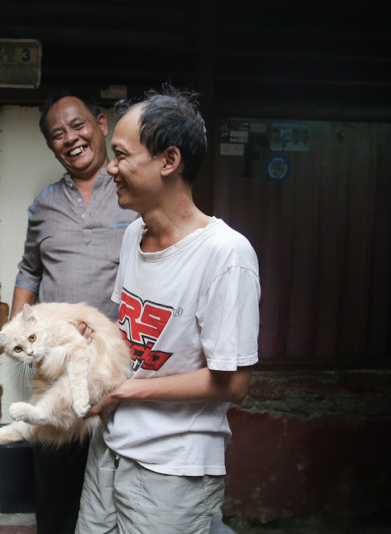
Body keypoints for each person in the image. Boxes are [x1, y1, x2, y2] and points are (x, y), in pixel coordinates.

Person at [75, 84, 260, 533]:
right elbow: (132, 334)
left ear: (169, 160)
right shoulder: (133, 235)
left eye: (121, 155)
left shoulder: (225, 254)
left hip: (172, 465)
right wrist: (95, 339)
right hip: (111, 444)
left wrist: (124, 392)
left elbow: (233, 383)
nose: (110, 168)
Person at [9, 89, 138, 534]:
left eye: (78, 125)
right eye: (57, 134)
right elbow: (29, 271)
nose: (71, 138)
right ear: (51, 146)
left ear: (101, 124)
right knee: (58, 486)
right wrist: (18, 336)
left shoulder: (132, 194)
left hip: (120, 369)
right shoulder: (43, 206)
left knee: (120, 487)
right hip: (58, 368)